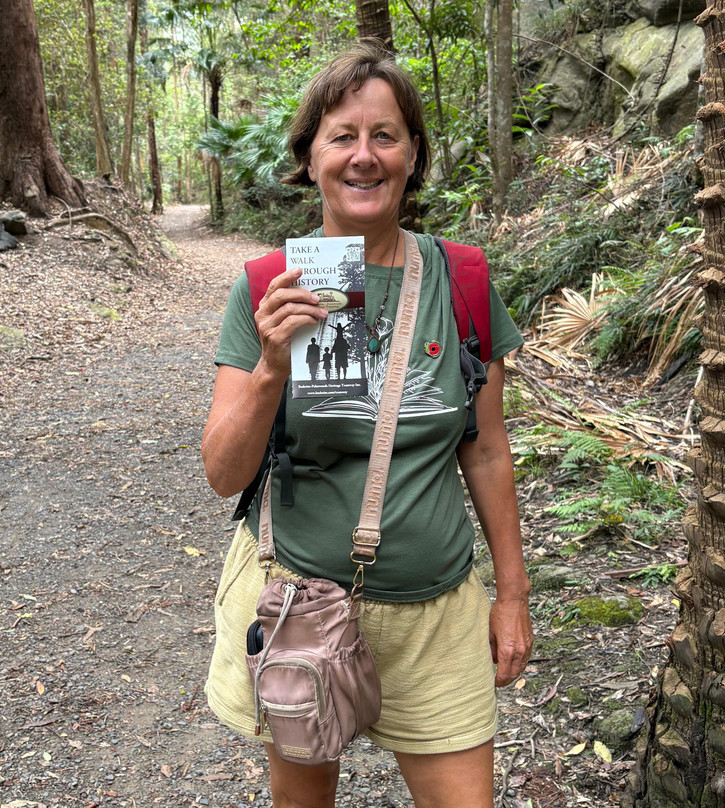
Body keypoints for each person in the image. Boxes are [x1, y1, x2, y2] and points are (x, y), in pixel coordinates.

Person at [201, 42, 532, 808]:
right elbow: (223, 472)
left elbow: (486, 451)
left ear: (413, 154)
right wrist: (271, 368)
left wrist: (512, 594)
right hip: (299, 602)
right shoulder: (270, 284)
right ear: (309, 156)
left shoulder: (462, 280)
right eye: (342, 136)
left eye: (384, 135)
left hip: (436, 613)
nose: (363, 155)